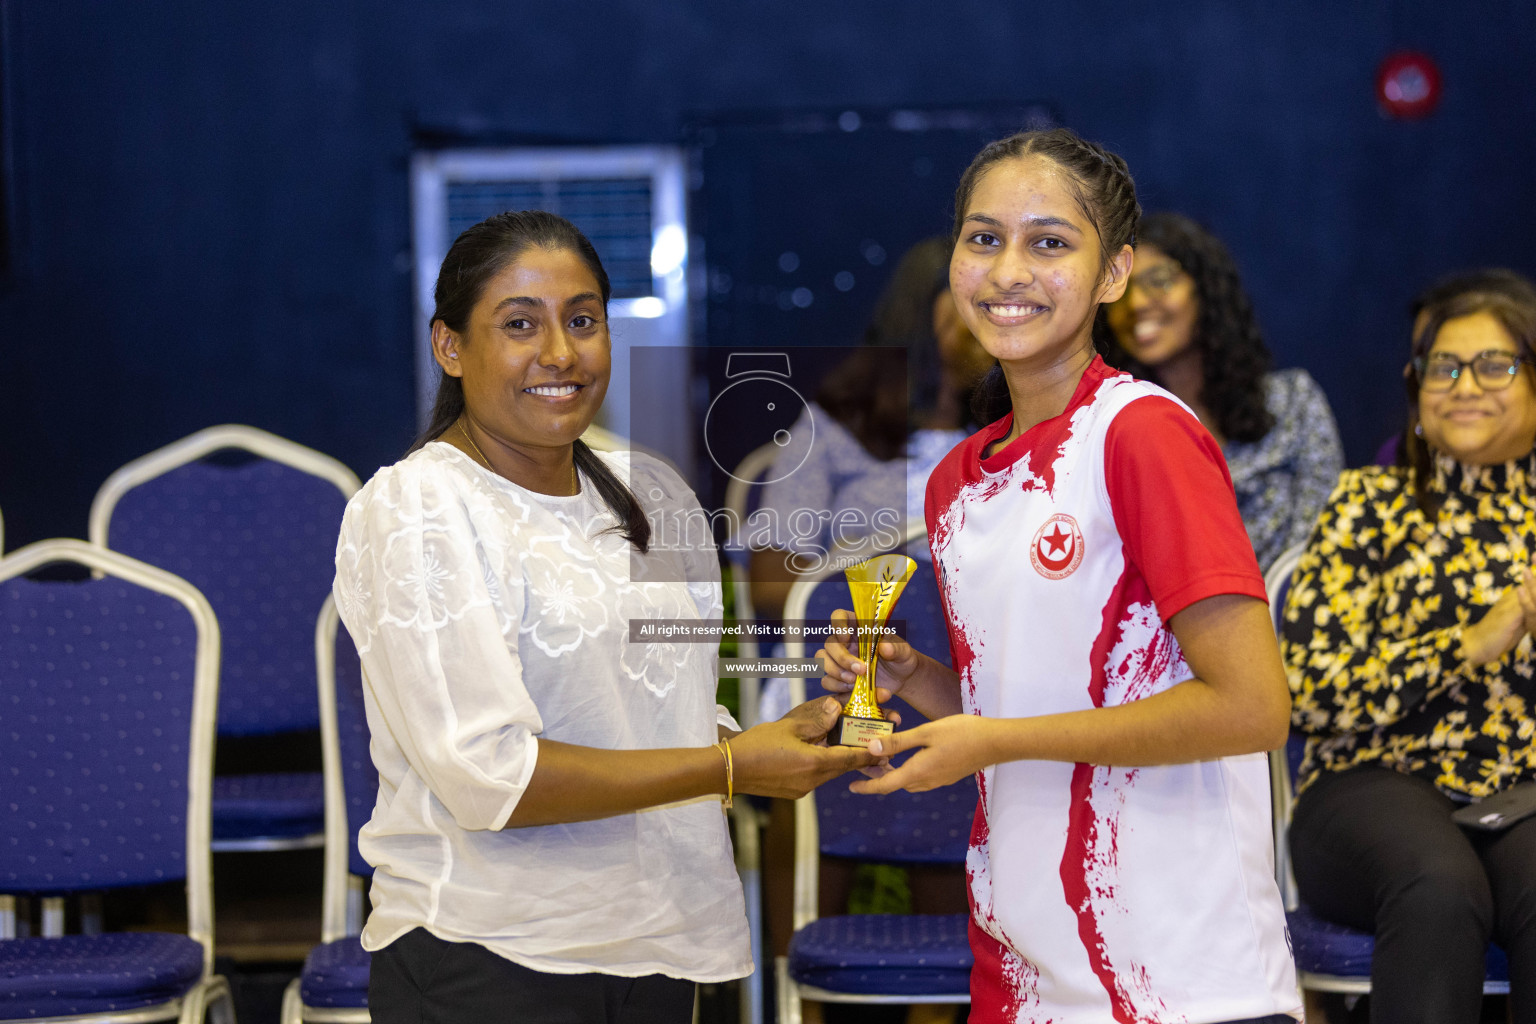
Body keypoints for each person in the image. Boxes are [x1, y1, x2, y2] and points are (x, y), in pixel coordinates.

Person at [332, 210, 875, 1024]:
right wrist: (729, 770)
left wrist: (776, 739)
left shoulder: (652, 489)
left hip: (657, 940)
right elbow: (493, 778)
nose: (559, 352)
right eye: (520, 324)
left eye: (583, 321)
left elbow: (670, 715)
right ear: (450, 347)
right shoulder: (417, 507)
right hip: (490, 952)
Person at [818, 129, 1301, 1024]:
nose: (1008, 271)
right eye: (983, 237)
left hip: (1180, 972)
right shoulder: (957, 480)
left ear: (1112, 272)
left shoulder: (1143, 433)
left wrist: (994, 743)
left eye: (1050, 242)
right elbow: (1034, 697)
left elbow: (1251, 706)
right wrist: (914, 679)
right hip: (1022, 965)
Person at [1281, 280, 1536, 1024]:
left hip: (1521, 796)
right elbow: (1307, 689)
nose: (1464, 387)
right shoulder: (1367, 504)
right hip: (1369, 784)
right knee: (1437, 883)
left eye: (1495, 366)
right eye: (1443, 368)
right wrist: (1466, 645)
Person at [748, 236, 992, 622]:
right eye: (977, 296)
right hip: (850, 662)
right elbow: (770, 583)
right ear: (924, 307)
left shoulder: (1008, 435)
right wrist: (887, 605)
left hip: (974, 667)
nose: (997, 313)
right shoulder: (837, 428)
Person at [1103, 211, 1343, 570]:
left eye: (1159, 280)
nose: (1136, 304)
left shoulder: (1293, 403)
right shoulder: (1113, 429)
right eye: (1122, 289)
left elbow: (1327, 542)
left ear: (1206, 288)